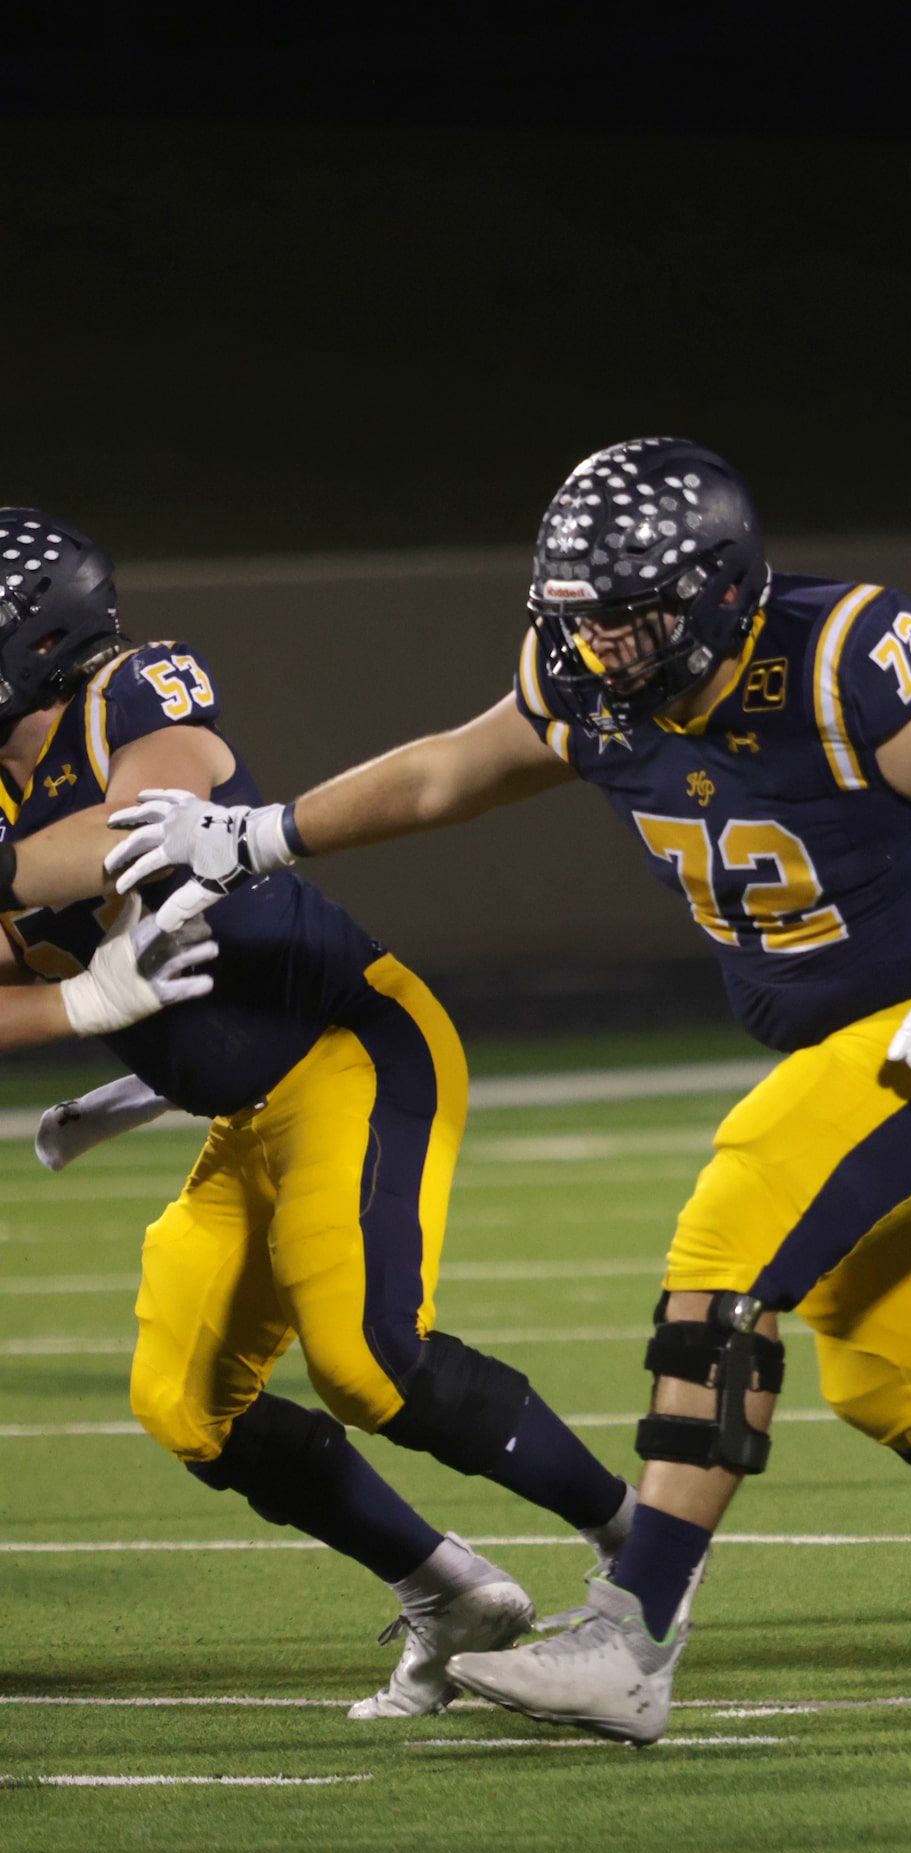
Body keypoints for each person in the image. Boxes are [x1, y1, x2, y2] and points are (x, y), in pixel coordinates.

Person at [104, 440, 911, 1742]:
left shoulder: (840, 655)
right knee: (902, 1382)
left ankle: (632, 1628)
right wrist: (262, 833)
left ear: (718, 590)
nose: (602, 644)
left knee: (730, 1233)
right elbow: (448, 769)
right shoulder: (582, 682)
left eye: (631, 614)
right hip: (849, 1040)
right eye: (580, 617)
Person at [0, 507, 638, 1719]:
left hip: (352, 1044)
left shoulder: (131, 690)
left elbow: (130, 832)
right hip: (243, 1104)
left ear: (33, 637)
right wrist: (81, 1008)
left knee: (368, 1363)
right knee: (183, 1401)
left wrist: (65, 961)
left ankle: (640, 1538)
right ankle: (448, 1591)